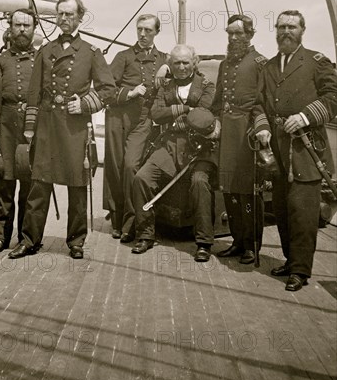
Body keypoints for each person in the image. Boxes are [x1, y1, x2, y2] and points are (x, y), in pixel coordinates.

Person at [9, 0, 116, 260]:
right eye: (60, 15)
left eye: (69, 14)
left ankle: (76, 241)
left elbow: (108, 89)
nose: (64, 19)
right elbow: (34, 92)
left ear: (80, 17)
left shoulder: (91, 52)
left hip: (74, 129)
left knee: (77, 187)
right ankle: (29, 240)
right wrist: (30, 130)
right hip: (47, 127)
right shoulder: (45, 51)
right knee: (39, 186)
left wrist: (86, 104)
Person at [260, 10, 337, 291]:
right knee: (281, 209)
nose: (285, 31)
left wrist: (304, 116)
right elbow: (260, 104)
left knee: (302, 212)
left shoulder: (317, 62)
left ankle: (301, 271)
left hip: (307, 147)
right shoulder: (269, 67)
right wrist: (262, 128)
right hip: (278, 147)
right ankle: (291, 261)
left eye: (291, 26)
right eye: (281, 26)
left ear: (302, 30)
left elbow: (333, 98)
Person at [130, 44, 218, 261]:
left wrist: (179, 115)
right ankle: (145, 235)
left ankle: (204, 242)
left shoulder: (207, 85)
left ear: (194, 62)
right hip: (169, 146)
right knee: (142, 177)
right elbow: (156, 114)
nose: (181, 67)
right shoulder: (166, 86)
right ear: (170, 64)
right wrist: (187, 111)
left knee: (199, 182)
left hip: (199, 150)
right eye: (176, 62)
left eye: (185, 62)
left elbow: (204, 115)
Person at [212, 15, 271, 265]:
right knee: (230, 190)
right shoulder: (225, 65)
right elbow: (216, 101)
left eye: (238, 33)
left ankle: (252, 245)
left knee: (248, 192)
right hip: (227, 134)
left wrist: (259, 128)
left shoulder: (260, 63)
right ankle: (237, 241)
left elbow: (264, 102)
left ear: (250, 35)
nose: (233, 38)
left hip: (247, 134)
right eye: (230, 33)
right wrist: (213, 121)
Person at [105, 14, 168, 241]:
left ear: (156, 32)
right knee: (115, 166)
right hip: (119, 118)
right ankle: (116, 217)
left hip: (143, 121)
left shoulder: (165, 59)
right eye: (139, 29)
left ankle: (130, 222)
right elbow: (105, 88)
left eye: (148, 30)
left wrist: (166, 67)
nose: (142, 34)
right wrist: (129, 93)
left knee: (131, 166)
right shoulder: (123, 57)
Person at [0, 9, 37, 253]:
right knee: (3, 184)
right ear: (10, 28)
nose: (21, 30)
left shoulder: (41, 61)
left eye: (26, 26)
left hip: (32, 129)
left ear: (33, 29)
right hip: (5, 127)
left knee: (29, 187)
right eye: (17, 25)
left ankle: (27, 238)